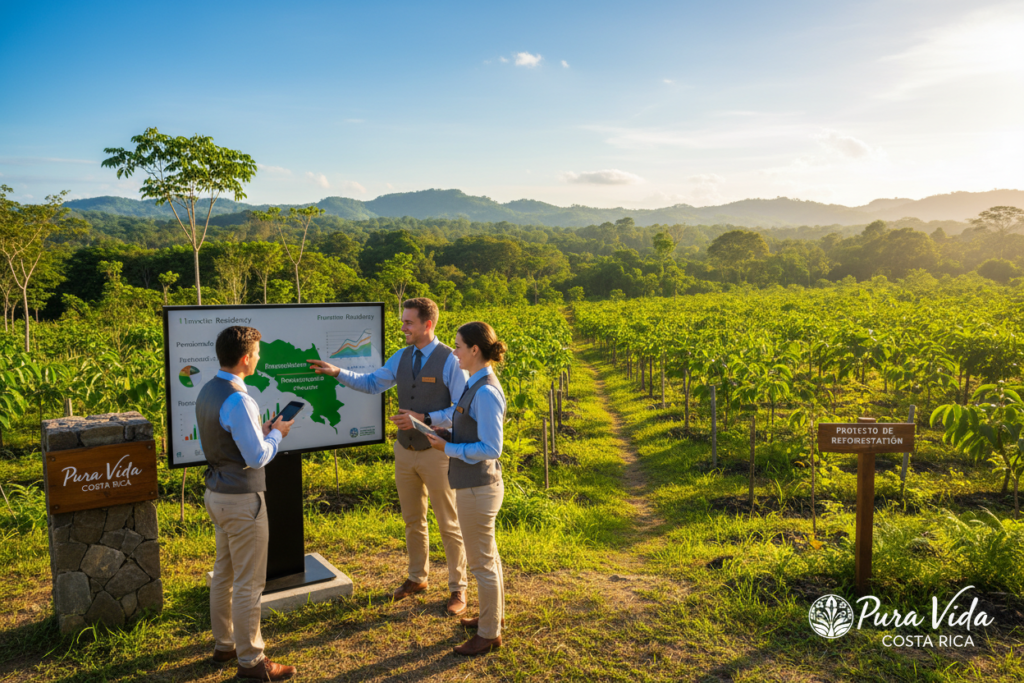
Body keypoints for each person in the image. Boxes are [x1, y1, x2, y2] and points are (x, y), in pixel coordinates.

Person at [307, 298, 469, 615]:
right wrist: (337, 371)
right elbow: (371, 384)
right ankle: (417, 578)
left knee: (448, 524)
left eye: (408, 322)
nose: (403, 327)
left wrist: (424, 416)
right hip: (404, 451)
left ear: (428, 324)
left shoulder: (450, 360)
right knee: (412, 520)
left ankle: (457, 588)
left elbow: (461, 410)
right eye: (403, 321)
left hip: (437, 452)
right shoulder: (401, 357)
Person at [196, 326, 297, 681]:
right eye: (257, 353)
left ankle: (225, 644)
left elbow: (233, 440)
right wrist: (275, 434)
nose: (259, 357)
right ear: (245, 358)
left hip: (217, 495)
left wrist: (261, 429)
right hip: (242, 500)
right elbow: (256, 458)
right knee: (249, 584)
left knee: (224, 573)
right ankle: (252, 661)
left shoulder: (209, 390)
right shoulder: (240, 399)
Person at [425, 321, 507, 656]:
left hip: (478, 488)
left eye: (458, 346)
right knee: (490, 560)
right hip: (473, 485)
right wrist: (449, 438)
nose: (454, 351)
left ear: (475, 350)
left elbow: (491, 448)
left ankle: (488, 634)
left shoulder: (485, 391)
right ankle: (491, 619)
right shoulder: (474, 385)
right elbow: (473, 434)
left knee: (482, 564)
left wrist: (450, 450)